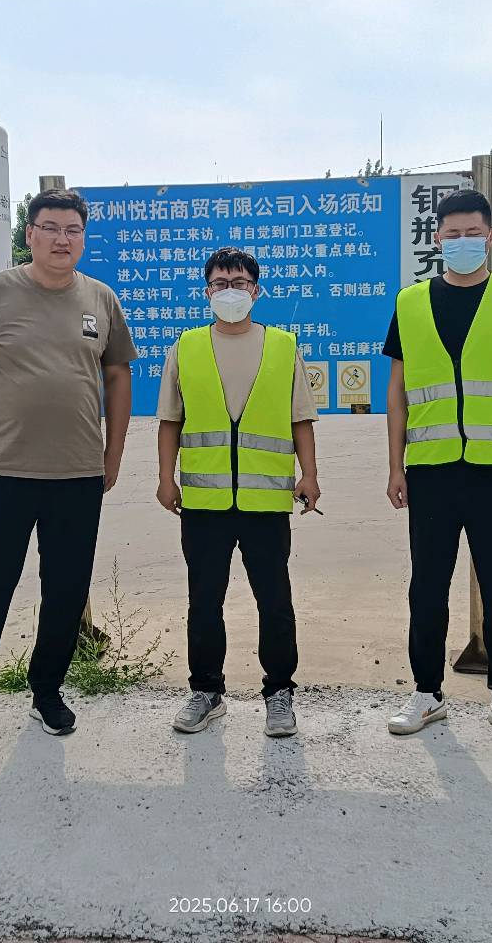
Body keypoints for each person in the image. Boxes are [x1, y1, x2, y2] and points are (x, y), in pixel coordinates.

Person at [0, 187, 137, 748]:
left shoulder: (100, 298)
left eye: (73, 230)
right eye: (50, 228)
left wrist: (113, 453)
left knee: (65, 591)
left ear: (83, 238)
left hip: (77, 474)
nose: (61, 239)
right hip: (2, 473)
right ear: (30, 234)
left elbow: (117, 375)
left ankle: (47, 692)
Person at [381, 188, 492, 749]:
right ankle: (426, 693)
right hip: (430, 470)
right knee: (427, 588)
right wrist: (395, 466)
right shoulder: (411, 303)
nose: (462, 242)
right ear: (437, 239)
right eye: (451, 235)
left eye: (472, 233)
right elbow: (398, 392)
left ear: (490, 236)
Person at [155, 247, 320, 738]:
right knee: (204, 601)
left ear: (257, 290)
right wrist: (165, 477)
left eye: (240, 282)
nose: (230, 291)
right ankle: (206, 692)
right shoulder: (186, 346)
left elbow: (300, 419)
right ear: (206, 292)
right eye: (220, 283)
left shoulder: (284, 346)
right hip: (204, 502)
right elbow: (170, 421)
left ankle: (279, 692)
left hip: (265, 502)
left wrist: (309, 475)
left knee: (275, 601)